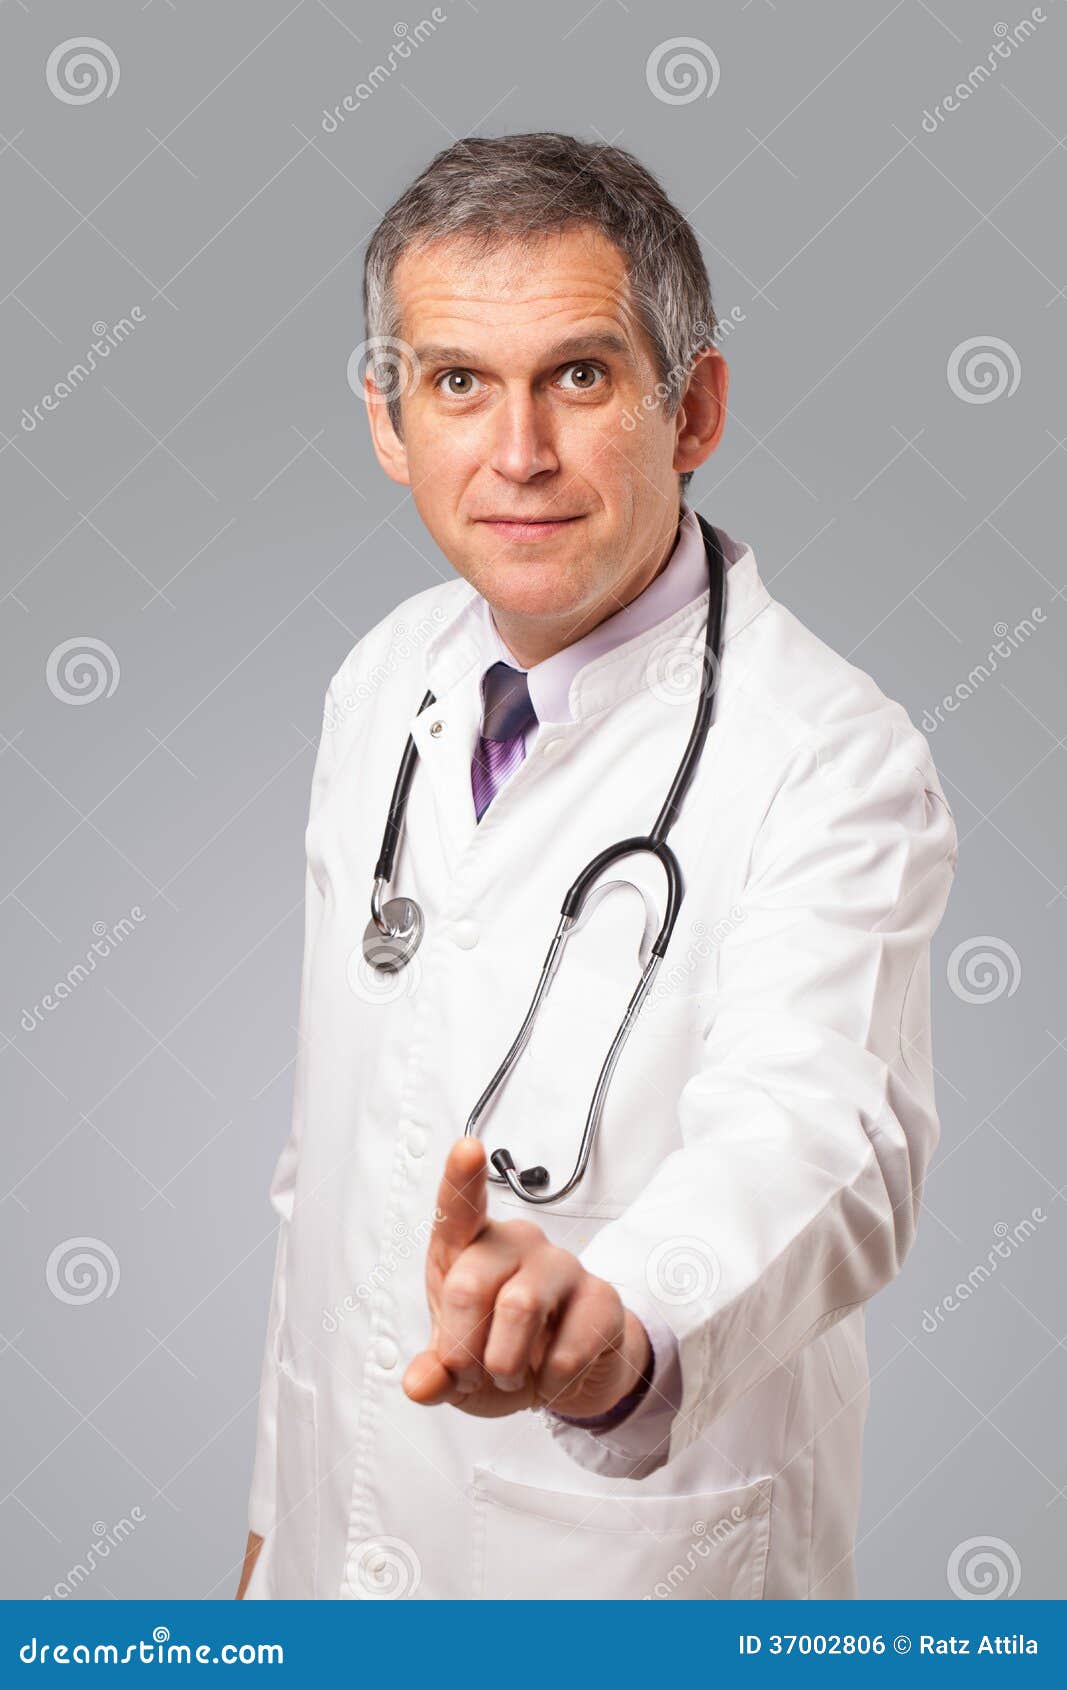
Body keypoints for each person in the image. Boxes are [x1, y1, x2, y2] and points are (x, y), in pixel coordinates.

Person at [237, 133, 957, 1601]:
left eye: (578, 375)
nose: (518, 453)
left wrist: (620, 1328)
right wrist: (266, 1537)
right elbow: (332, 1171)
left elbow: (822, 1145)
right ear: (387, 420)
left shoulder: (832, 755)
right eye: (457, 382)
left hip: (621, 1586)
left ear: (694, 407)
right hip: (329, 1571)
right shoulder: (383, 679)